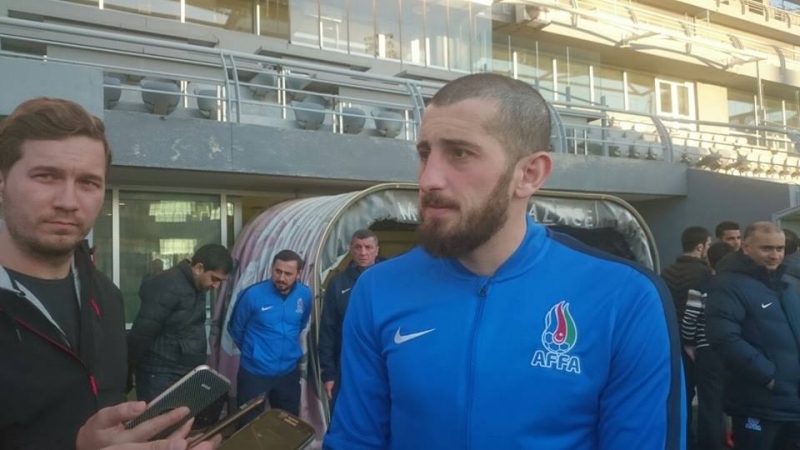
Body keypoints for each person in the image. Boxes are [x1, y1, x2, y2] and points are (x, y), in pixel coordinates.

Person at [323, 74, 684, 449]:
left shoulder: (624, 297)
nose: (428, 179)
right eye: (425, 154)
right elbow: (354, 441)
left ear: (528, 174)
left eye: (459, 153)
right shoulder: (379, 288)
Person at [0, 97, 129, 449]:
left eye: (88, 183)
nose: (68, 202)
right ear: (3, 180)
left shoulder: (107, 296)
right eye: (46, 176)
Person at [706, 222, 800, 450]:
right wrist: (770, 378)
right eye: (766, 248)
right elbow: (724, 338)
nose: (775, 255)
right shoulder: (727, 285)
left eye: (779, 248)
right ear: (746, 248)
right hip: (757, 404)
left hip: (793, 404)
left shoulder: (788, 284)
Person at [128, 244, 233, 402]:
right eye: (214, 279)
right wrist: (130, 368)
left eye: (220, 281)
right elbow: (143, 332)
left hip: (183, 373)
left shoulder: (196, 285)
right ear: (198, 268)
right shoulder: (168, 285)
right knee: (159, 419)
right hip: (160, 374)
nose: (216, 286)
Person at [229, 249, 313, 424]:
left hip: (288, 373)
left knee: (287, 426)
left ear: (299, 274)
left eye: (288, 274)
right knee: (248, 426)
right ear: (271, 269)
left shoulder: (305, 295)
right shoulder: (252, 294)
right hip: (254, 373)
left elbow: (300, 324)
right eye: (278, 271)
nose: (281, 278)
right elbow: (236, 329)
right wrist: (255, 353)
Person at [660, 226, 713, 448]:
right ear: (700, 247)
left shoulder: (666, 273)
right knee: (708, 398)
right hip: (696, 343)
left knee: (681, 395)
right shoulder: (705, 275)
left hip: (672, 342)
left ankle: (682, 439)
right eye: (708, 245)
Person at [319, 229, 380, 411]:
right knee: (344, 414)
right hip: (345, 366)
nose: (363, 252)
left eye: (368, 247)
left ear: (377, 250)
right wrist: (329, 374)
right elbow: (327, 330)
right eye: (358, 247)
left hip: (380, 365)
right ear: (351, 250)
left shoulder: (390, 280)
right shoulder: (338, 283)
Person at [682, 241, 734, 450]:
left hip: (707, 350)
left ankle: (712, 444)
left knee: (710, 404)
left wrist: (689, 344)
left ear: (708, 260)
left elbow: (690, 319)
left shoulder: (702, 285)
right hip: (735, 350)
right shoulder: (738, 285)